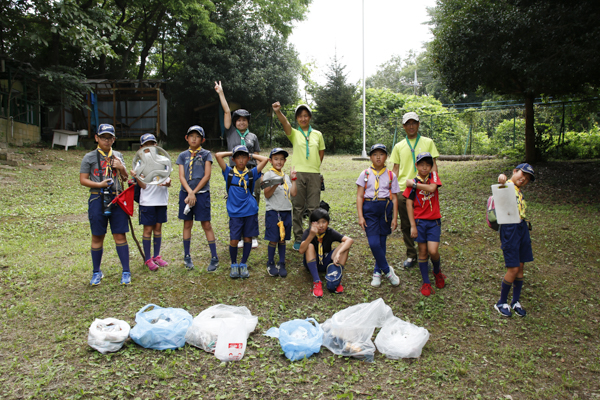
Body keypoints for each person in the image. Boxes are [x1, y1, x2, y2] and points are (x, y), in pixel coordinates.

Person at [79, 123, 131, 285]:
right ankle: (96, 272)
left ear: (114, 139)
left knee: (120, 235)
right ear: (97, 138)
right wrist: (100, 185)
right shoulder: (89, 157)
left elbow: (125, 178)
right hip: (97, 199)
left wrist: (121, 167)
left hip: (116, 199)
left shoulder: (117, 156)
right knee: (97, 236)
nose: (106, 141)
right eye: (103, 138)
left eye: (110, 138)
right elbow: (83, 180)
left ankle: (126, 271)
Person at [272, 101, 325, 251]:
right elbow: (285, 122)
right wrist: (278, 112)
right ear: (297, 119)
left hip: (314, 173)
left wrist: (314, 166)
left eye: (305, 115)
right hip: (298, 173)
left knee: (314, 207)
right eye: (300, 116)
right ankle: (299, 237)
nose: (303, 118)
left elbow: (321, 152)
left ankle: (313, 236)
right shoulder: (294, 134)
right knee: (298, 207)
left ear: (309, 117)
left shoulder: (317, 134)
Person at [390, 112, 440, 269]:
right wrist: (391, 188)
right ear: (403, 126)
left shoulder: (428, 142)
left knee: (425, 221)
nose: (411, 126)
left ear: (418, 124)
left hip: (424, 189)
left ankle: (424, 252)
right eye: (408, 123)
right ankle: (412, 255)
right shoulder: (398, 146)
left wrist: (435, 183)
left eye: (414, 123)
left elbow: (434, 165)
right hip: (404, 189)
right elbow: (396, 169)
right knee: (406, 224)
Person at [215, 81, 261, 248]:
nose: (241, 123)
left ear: (248, 122)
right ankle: (239, 235)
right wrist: (221, 92)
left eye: (244, 120)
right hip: (234, 172)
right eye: (238, 120)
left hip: (250, 172)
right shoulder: (230, 132)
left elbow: (256, 156)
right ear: (235, 122)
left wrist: (258, 174)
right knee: (236, 201)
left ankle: (252, 234)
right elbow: (227, 111)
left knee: (253, 200)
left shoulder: (253, 137)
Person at [215, 145, 269, 279]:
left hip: (250, 211)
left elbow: (265, 159)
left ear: (247, 159)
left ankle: (243, 263)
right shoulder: (228, 172)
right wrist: (232, 152)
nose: (241, 160)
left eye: (243, 157)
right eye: (238, 157)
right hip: (234, 212)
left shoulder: (251, 173)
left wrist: (250, 154)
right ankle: (234, 264)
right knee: (234, 240)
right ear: (233, 159)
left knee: (247, 238)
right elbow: (217, 155)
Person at [356, 144, 401, 288]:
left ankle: (377, 272)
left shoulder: (391, 175)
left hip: (385, 209)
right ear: (370, 157)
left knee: (382, 243)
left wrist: (394, 218)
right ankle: (387, 271)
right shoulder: (365, 174)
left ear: (386, 157)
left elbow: (394, 198)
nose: (378, 157)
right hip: (369, 209)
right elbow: (359, 196)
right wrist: (360, 216)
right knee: (373, 243)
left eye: (381, 154)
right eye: (375, 154)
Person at [494, 163, 536, 317]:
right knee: (513, 268)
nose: (524, 178)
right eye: (522, 174)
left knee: (520, 266)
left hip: (522, 228)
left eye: (528, 178)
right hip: (510, 228)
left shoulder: (519, 191)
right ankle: (502, 302)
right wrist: (502, 179)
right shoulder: (507, 186)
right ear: (514, 172)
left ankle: (515, 301)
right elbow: (501, 182)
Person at [176, 125, 219, 271]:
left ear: (203, 139)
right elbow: (181, 176)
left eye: (197, 136)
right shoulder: (182, 155)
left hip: (202, 195)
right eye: (191, 136)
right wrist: (189, 192)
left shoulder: (206, 154)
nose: (194, 138)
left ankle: (214, 257)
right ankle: (187, 256)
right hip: (186, 194)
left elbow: (207, 175)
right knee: (187, 224)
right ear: (186, 138)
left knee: (206, 224)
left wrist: (194, 192)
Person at [403, 152, 445, 297]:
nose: (425, 167)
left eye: (428, 164)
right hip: (420, 222)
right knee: (422, 252)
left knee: (433, 251)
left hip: (434, 222)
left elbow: (433, 189)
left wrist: (414, 184)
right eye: (422, 164)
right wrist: (413, 226)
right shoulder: (413, 182)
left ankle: (437, 271)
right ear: (416, 166)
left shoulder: (433, 177)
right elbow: (409, 205)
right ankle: (426, 282)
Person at [130, 133, 171, 271]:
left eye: (152, 144)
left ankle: (157, 256)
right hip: (147, 201)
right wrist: (137, 177)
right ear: (142, 147)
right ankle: (148, 259)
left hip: (161, 200)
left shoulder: (163, 160)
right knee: (148, 229)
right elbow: (143, 186)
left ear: (156, 145)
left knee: (158, 228)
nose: (149, 147)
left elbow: (167, 179)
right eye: (146, 145)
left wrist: (168, 183)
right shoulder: (139, 164)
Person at [299, 208, 354, 297]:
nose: (321, 225)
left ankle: (336, 277)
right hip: (312, 262)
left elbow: (349, 240)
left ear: (328, 223)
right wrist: (311, 235)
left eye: (324, 222)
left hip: (326, 261)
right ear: (312, 223)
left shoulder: (329, 232)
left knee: (344, 246)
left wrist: (339, 252)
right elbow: (301, 250)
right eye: (317, 222)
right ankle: (317, 281)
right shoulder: (308, 232)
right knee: (309, 246)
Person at [262, 148, 297, 278]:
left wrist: (294, 180)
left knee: (283, 239)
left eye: (282, 159)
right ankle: (270, 262)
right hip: (274, 212)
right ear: (271, 160)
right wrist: (276, 184)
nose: (279, 161)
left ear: (285, 161)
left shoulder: (285, 176)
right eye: (276, 159)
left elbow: (293, 194)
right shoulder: (268, 175)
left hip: (286, 211)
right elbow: (267, 194)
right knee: (273, 239)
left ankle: (281, 263)